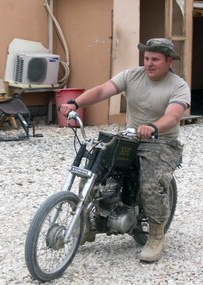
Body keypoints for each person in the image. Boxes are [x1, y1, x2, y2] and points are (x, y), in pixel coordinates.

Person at [59, 38, 191, 262]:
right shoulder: (132, 75)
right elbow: (102, 90)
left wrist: (152, 127)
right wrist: (75, 103)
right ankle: (85, 224)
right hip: (130, 136)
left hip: (161, 140)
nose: (149, 63)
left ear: (169, 61)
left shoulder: (178, 86)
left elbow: (173, 116)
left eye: (155, 59)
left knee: (151, 184)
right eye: (147, 58)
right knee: (94, 168)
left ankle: (157, 235)